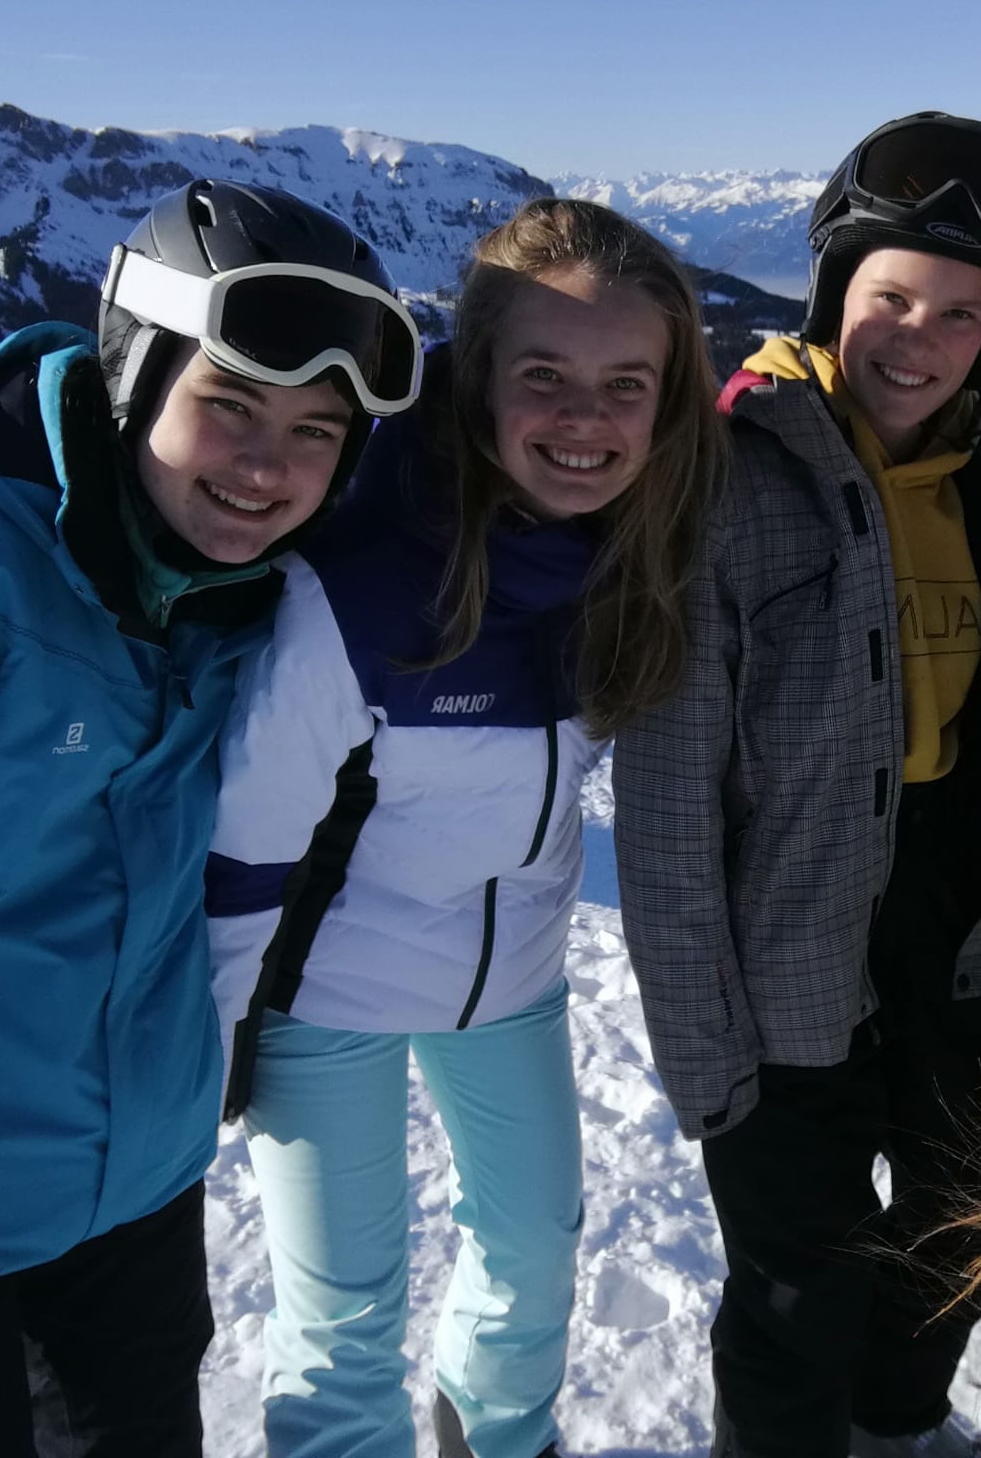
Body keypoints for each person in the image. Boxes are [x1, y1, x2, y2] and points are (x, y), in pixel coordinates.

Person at [0, 178, 420, 1457]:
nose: (268, 467)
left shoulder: (228, 594)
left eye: (317, 430)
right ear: (133, 379)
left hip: (128, 1202)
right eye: (228, 405)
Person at [206, 196, 725, 1458]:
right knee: (345, 1311)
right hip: (325, 990)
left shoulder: (632, 555)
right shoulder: (362, 584)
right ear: (475, 378)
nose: (585, 419)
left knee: (535, 1245)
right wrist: (211, 1041)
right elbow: (245, 846)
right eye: (543, 376)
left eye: (625, 385)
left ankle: (497, 1437)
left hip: (514, 979)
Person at [613, 111, 981, 1458]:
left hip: (949, 933)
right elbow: (668, 800)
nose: (921, 337)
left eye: (963, 314)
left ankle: (893, 1426)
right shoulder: (726, 480)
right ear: (831, 292)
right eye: (892, 298)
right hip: (785, 959)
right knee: (797, 1285)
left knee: (960, 1221)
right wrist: (703, 1053)